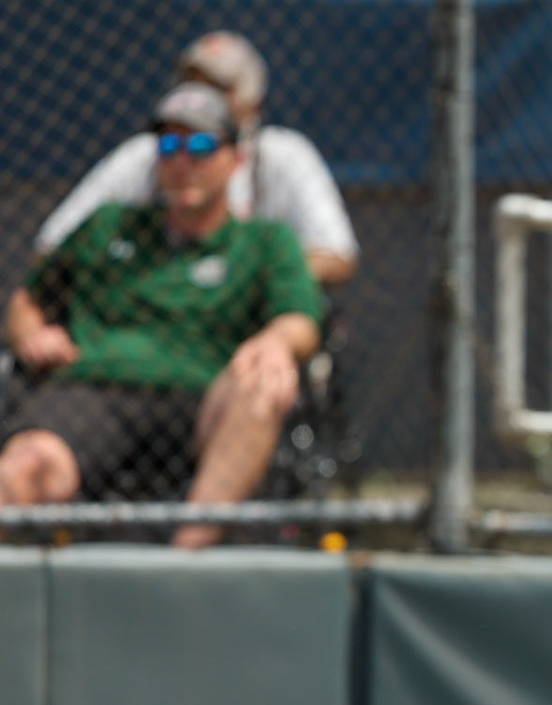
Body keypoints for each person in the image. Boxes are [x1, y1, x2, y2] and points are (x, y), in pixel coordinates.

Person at [0, 82, 324, 549]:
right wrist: (32, 334)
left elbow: (300, 321)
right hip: (94, 391)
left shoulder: (265, 242)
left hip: (200, 398)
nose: (183, 161)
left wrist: (275, 341)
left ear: (235, 161)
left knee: (263, 382)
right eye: (169, 146)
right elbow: (27, 301)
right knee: (28, 463)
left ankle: (181, 562)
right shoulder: (108, 226)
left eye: (201, 146)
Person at [36, 31, 359, 287]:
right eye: (193, 84)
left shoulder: (284, 154)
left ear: (252, 100)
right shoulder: (148, 152)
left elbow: (337, 255)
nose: (202, 100)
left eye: (218, 87)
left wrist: (238, 279)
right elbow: (52, 245)